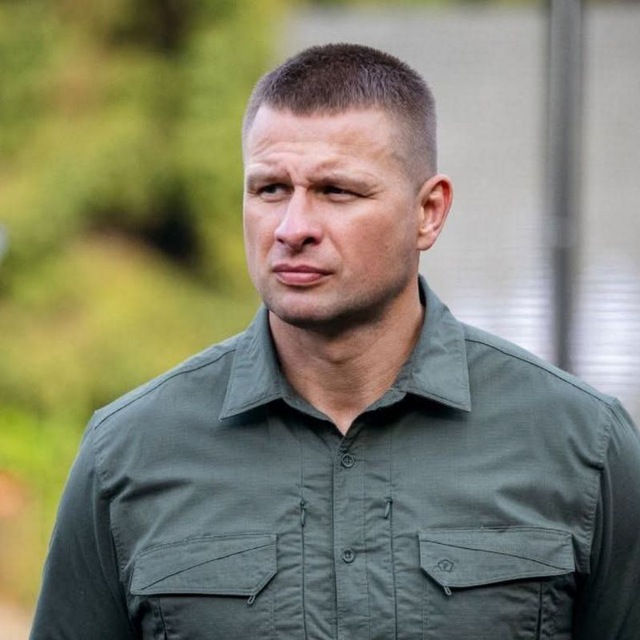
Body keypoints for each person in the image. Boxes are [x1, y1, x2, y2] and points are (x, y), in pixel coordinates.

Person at [31, 43, 640, 640]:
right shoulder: (128, 453)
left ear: (429, 212)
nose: (292, 228)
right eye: (270, 189)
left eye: (336, 191)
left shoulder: (581, 444)